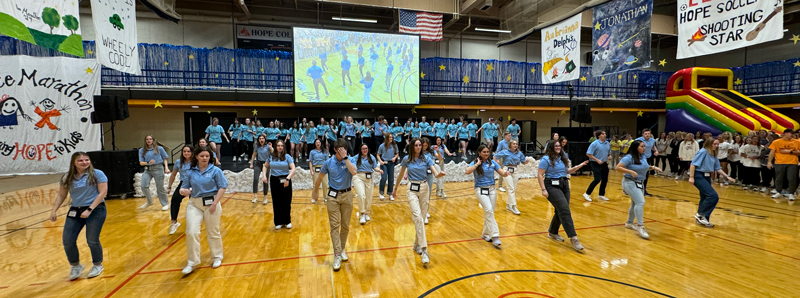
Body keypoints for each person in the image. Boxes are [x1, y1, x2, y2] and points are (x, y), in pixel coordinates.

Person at [49, 152, 108, 280]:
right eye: (80, 160)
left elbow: (102, 193)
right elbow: (61, 195)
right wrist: (54, 210)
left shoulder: (97, 174)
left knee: (92, 240)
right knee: (68, 240)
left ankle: (98, 264)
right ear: (74, 163)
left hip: (96, 210)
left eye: (87, 160)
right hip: (75, 210)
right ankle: (75, 266)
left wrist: (90, 209)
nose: (84, 162)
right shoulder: (67, 177)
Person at [392, 138, 446, 265]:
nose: (418, 147)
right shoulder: (407, 159)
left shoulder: (426, 158)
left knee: (420, 218)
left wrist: (439, 175)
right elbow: (400, 175)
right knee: (417, 217)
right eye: (416, 145)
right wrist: (395, 188)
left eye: (419, 145)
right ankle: (424, 249)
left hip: (424, 188)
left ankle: (416, 244)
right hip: (411, 189)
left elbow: (435, 172)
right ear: (412, 147)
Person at [179, 146, 228, 275]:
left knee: (213, 231)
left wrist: (215, 203)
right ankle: (192, 262)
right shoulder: (190, 172)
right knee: (191, 231)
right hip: (194, 204)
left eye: (207, 156)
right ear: (196, 157)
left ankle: (217, 256)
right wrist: (183, 191)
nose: (205, 158)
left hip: (212, 203)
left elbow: (223, 187)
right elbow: (183, 188)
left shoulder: (216, 170)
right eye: (202, 156)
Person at [312, 139, 358, 271]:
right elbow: (320, 178)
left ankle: (341, 249)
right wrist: (315, 192)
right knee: (334, 226)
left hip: (347, 195)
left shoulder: (350, 160)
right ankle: (337, 254)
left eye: (344, 149)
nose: (342, 151)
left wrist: (345, 158)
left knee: (345, 226)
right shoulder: (328, 162)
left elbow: (354, 172)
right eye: (340, 150)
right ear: (335, 150)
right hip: (333, 197)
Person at [537, 140, 589, 252]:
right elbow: (540, 175)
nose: (558, 147)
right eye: (555, 146)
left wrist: (578, 167)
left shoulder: (562, 158)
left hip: (564, 184)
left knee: (560, 210)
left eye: (559, 146)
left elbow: (567, 171)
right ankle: (573, 237)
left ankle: (553, 232)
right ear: (551, 147)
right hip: (551, 186)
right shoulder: (545, 159)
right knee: (564, 210)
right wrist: (543, 190)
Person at [616, 140, 662, 239]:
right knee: (640, 202)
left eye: (644, 146)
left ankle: (629, 222)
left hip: (640, 182)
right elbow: (618, 167)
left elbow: (644, 167)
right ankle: (641, 226)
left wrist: (653, 167)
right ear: (636, 147)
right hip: (629, 182)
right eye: (642, 146)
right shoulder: (628, 157)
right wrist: (630, 171)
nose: (644, 148)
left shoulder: (643, 156)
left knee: (635, 203)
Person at [466, 144, 510, 248]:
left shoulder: (492, 162)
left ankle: (485, 234)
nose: (486, 154)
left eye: (487, 152)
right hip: (480, 189)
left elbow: (501, 172)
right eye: (484, 152)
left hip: (492, 189)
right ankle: (495, 236)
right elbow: (467, 171)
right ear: (479, 153)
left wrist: (505, 173)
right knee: (489, 210)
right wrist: (477, 164)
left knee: (490, 212)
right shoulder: (475, 162)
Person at [690, 138, 736, 227]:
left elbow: (718, 168)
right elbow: (693, 164)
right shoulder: (703, 152)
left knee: (704, 197)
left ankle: (703, 219)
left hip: (707, 176)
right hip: (699, 175)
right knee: (713, 196)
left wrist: (727, 176)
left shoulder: (713, 154)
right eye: (714, 144)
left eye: (717, 144)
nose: (716, 146)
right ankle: (701, 214)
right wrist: (691, 177)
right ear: (709, 144)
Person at [260, 140, 297, 229]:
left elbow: (293, 169)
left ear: (284, 147)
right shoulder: (271, 156)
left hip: (285, 179)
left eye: (281, 146)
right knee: (276, 201)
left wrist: (288, 178)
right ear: (276, 147)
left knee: (286, 201)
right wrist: (264, 176)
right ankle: (278, 222)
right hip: (274, 180)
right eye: (278, 145)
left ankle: (287, 221)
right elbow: (265, 166)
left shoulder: (287, 157)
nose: (280, 147)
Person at [493, 140, 528, 215]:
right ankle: (514, 206)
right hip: (507, 170)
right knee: (511, 188)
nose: (515, 145)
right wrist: (497, 164)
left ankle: (509, 204)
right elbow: (495, 156)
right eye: (514, 144)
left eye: (516, 144)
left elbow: (523, 162)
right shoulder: (505, 152)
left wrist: (526, 162)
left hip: (515, 170)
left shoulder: (519, 153)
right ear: (510, 145)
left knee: (513, 189)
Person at [351, 143, 383, 224]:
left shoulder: (371, 157)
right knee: (361, 195)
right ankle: (362, 213)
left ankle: (366, 213)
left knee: (368, 197)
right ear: (360, 150)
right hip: (358, 177)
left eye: (366, 148)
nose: (365, 150)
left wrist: (379, 170)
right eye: (363, 148)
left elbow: (374, 167)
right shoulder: (355, 158)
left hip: (369, 178)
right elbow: (351, 166)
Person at [138, 135, 171, 210]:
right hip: (148, 169)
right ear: (145, 141)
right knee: (143, 185)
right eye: (147, 139)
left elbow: (165, 158)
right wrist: (147, 162)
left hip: (158, 168)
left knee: (159, 187)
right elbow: (141, 162)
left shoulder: (159, 149)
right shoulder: (142, 150)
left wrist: (166, 167)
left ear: (153, 140)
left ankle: (165, 204)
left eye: (150, 139)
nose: (149, 140)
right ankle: (149, 201)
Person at [767, 129, 799, 201]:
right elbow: (772, 153)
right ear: (785, 133)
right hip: (779, 162)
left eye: (793, 133)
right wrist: (769, 162)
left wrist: (789, 151)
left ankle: (791, 193)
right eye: (790, 133)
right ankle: (778, 191)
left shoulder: (797, 142)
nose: (792, 135)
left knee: (791, 178)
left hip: (792, 162)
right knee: (778, 178)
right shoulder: (777, 142)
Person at [166, 145, 192, 235]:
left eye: (188, 151)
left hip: (195, 183)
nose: (186, 153)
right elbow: (173, 175)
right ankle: (174, 222)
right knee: (175, 200)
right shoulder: (179, 162)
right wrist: (169, 186)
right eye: (184, 151)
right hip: (183, 183)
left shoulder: (196, 162)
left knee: (194, 203)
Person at [584, 130, 611, 202]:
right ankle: (587, 193)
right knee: (597, 179)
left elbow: (608, 152)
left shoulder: (607, 143)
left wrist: (609, 156)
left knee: (605, 180)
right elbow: (588, 154)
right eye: (602, 134)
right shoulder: (594, 144)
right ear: (598, 135)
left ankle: (601, 194)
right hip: (595, 164)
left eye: (605, 133)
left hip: (604, 163)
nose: (604, 135)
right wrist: (597, 160)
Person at [635, 129, 658, 196]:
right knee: (637, 174)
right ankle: (630, 189)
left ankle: (644, 190)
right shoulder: (638, 140)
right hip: (640, 158)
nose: (647, 135)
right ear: (643, 134)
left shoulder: (652, 140)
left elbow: (653, 147)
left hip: (648, 158)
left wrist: (656, 151)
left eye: (648, 133)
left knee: (646, 175)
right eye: (646, 133)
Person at [250, 135, 272, 204]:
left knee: (265, 180)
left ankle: (265, 197)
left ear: (264, 139)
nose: (261, 140)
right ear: (258, 140)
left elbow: (273, 152)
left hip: (266, 164)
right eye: (260, 138)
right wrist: (251, 163)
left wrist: (270, 147)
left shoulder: (268, 146)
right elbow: (253, 155)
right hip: (258, 163)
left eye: (262, 138)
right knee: (255, 179)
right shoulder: (257, 146)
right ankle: (255, 196)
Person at [377, 133, 399, 201]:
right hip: (384, 163)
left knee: (391, 179)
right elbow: (378, 155)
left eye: (392, 137)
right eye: (390, 137)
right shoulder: (382, 146)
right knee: (383, 178)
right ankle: (381, 193)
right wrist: (380, 161)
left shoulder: (394, 145)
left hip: (391, 164)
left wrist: (395, 158)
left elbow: (397, 153)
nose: (391, 139)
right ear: (386, 138)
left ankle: (390, 193)